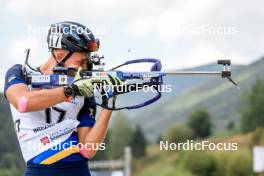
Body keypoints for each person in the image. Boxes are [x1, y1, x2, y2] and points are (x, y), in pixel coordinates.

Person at [4, 21, 122, 176]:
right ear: (59, 55)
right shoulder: (20, 73)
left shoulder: (83, 87)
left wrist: (108, 106)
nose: (85, 69)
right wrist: (70, 90)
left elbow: (87, 150)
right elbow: (23, 102)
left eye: (87, 63)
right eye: (81, 62)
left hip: (79, 170)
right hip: (40, 170)